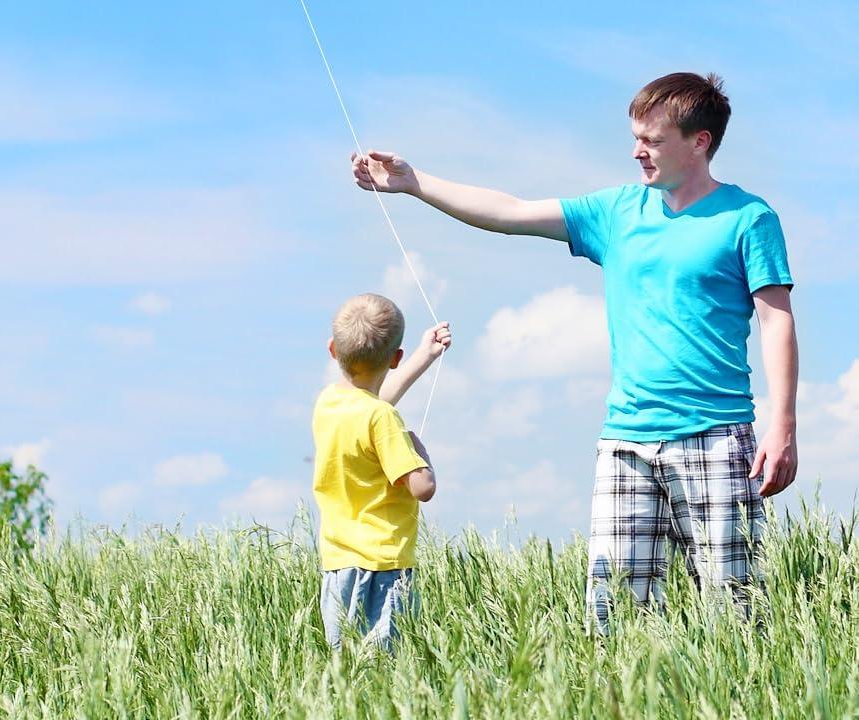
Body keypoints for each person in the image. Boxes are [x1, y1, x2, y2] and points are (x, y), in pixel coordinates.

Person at [352, 71, 797, 630]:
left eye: (653, 140)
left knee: (735, 616)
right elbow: (510, 213)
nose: (637, 151)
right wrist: (415, 182)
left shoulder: (749, 218)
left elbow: (776, 322)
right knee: (614, 622)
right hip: (625, 442)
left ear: (699, 142)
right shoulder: (616, 212)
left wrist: (782, 427)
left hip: (716, 435)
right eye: (635, 137)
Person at [312, 293, 451, 651]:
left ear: (333, 350)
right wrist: (421, 455)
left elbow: (371, 404)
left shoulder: (328, 402)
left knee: (345, 665)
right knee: (384, 666)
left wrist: (424, 356)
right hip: (383, 568)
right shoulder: (382, 418)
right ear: (395, 358)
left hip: (338, 566)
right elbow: (422, 488)